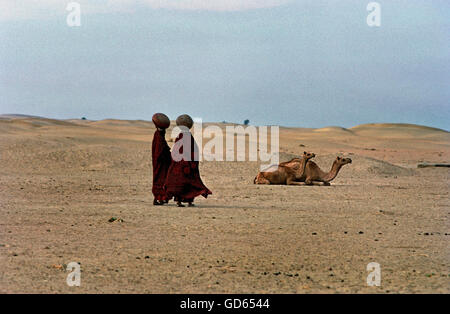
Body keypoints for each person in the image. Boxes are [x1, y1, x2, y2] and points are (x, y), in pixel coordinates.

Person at [164, 114, 212, 207]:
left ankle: (180, 201)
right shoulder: (187, 136)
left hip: (180, 164)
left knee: (181, 182)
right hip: (186, 165)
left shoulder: (182, 136)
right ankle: (187, 201)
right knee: (188, 183)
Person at [151, 113, 172, 205]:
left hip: (161, 162)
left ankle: (160, 198)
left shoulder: (159, 135)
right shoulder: (158, 136)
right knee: (160, 179)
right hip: (160, 162)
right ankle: (158, 198)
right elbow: (159, 151)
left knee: (162, 179)